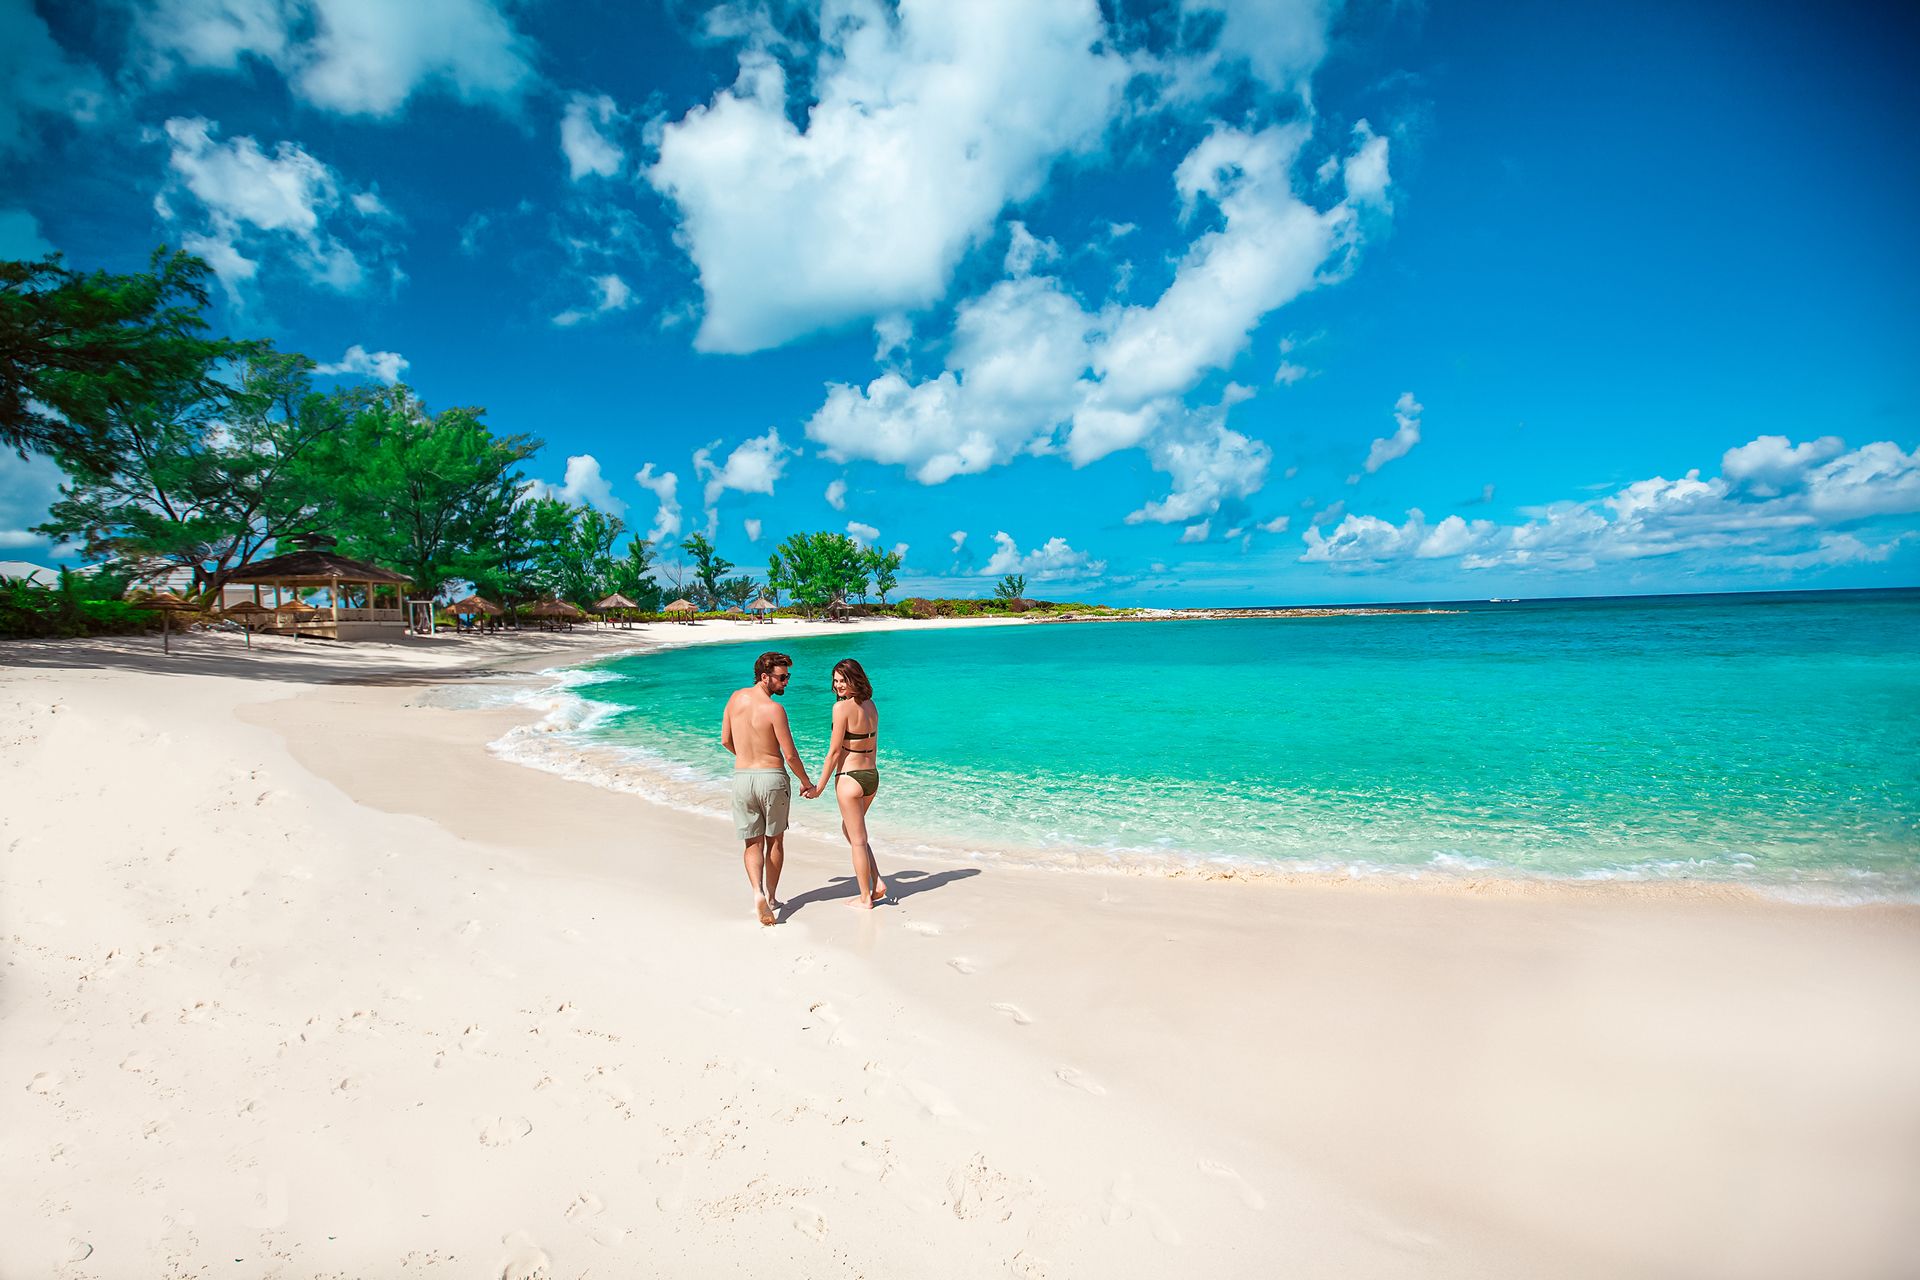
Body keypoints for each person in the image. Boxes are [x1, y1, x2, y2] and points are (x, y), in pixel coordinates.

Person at [721, 651, 815, 925]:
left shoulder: (735, 699)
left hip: (742, 778)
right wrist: (806, 782)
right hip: (771, 778)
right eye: (782, 677)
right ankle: (772, 899)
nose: (786, 682)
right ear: (765, 677)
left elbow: (726, 740)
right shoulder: (774, 710)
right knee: (774, 840)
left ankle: (757, 892)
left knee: (752, 841)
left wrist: (747, 759)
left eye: (788, 677)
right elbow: (790, 755)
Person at [803, 658, 889, 908]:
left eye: (843, 680)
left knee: (858, 839)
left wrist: (818, 787)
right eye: (836, 680)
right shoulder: (871, 706)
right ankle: (878, 881)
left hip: (850, 779)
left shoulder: (841, 709)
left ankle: (865, 898)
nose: (838, 685)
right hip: (871, 776)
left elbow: (833, 753)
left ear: (855, 680)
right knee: (851, 831)